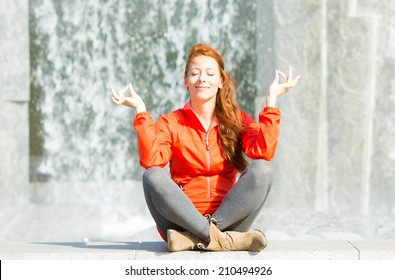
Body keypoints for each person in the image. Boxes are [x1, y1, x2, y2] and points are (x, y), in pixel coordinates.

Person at [110, 43, 300, 252]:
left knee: (263, 170)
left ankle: (198, 238)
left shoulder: (237, 119)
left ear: (220, 81)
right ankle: (220, 240)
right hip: (179, 224)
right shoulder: (171, 122)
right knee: (152, 175)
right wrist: (141, 111)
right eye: (194, 73)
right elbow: (151, 160)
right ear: (186, 81)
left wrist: (271, 103)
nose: (202, 78)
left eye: (210, 73)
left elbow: (263, 152)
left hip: (229, 222)